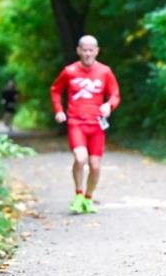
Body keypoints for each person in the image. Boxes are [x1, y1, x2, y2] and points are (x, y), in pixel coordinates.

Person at [50, 35, 121, 214]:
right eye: (85, 50)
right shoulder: (69, 71)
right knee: (80, 158)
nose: (88, 53)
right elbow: (55, 89)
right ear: (79, 51)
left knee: (95, 165)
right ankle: (78, 194)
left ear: (97, 51)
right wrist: (59, 110)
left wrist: (109, 105)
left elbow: (115, 94)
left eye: (91, 50)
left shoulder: (105, 71)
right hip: (76, 122)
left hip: (97, 124)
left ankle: (88, 199)